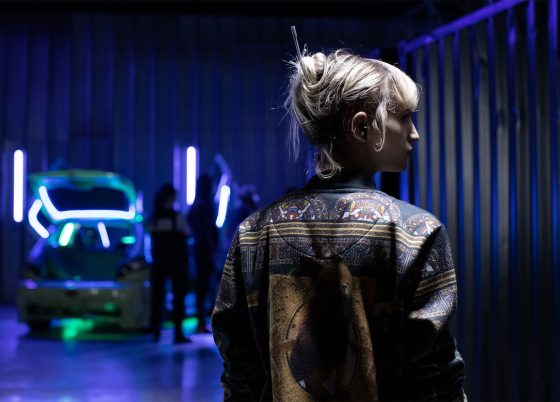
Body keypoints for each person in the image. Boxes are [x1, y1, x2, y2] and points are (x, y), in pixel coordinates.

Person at [212, 31, 466, 401]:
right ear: (362, 127)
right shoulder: (416, 232)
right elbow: (436, 378)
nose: (415, 134)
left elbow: (240, 374)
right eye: (404, 117)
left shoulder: (254, 233)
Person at [146, 184, 192, 344]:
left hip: (159, 261)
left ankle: (156, 331)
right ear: (171, 198)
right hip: (176, 262)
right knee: (178, 297)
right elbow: (187, 233)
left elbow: (148, 233)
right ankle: (178, 333)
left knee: (157, 297)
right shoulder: (177, 217)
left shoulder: (154, 217)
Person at [186, 174, 219, 333]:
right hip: (206, 249)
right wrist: (212, 247)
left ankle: (201, 320)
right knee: (205, 285)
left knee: (202, 285)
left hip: (199, 248)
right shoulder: (206, 204)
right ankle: (202, 320)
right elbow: (208, 229)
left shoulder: (196, 204)